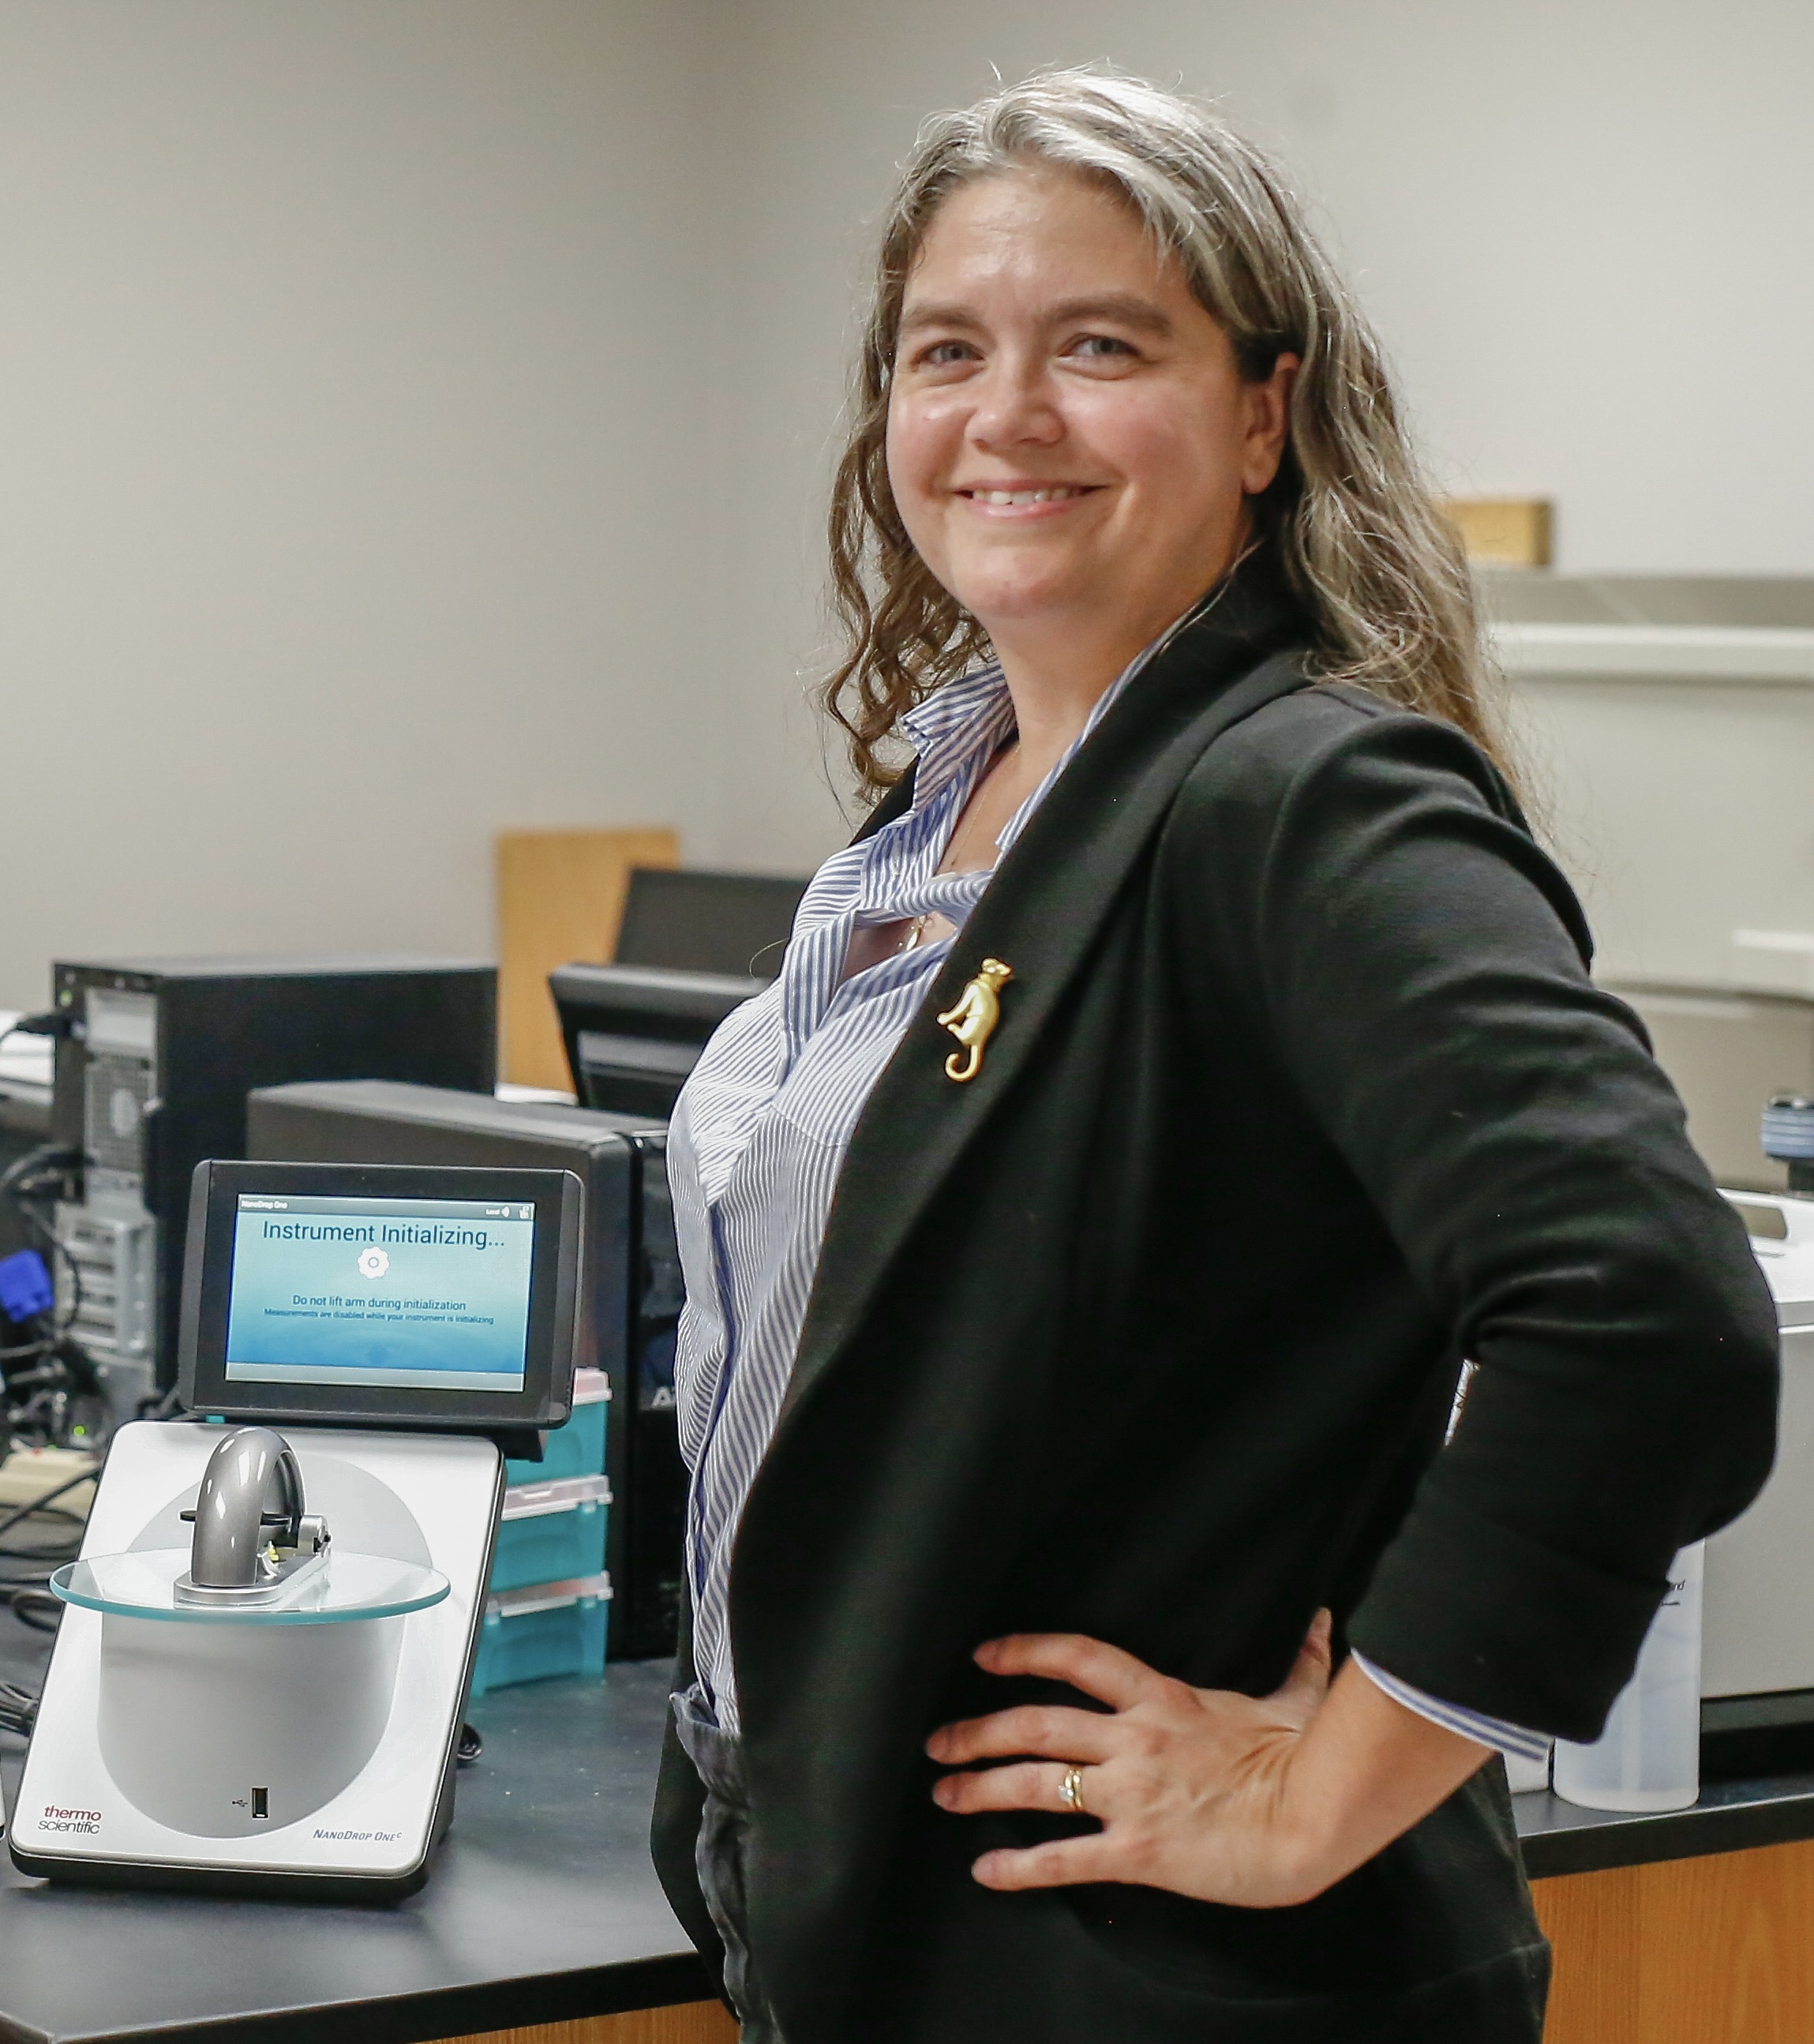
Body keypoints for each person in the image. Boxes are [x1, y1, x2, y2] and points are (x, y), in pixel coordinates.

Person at [654, 68, 1779, 2042]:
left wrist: (1309, 1796)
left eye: (1100, 345)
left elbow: (1644, 1311)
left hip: (1158, 1969)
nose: (1005, 414)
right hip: (892, 1913)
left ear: (1263, 413)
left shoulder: (1303, 794)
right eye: (948, 351)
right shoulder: (959, 799)